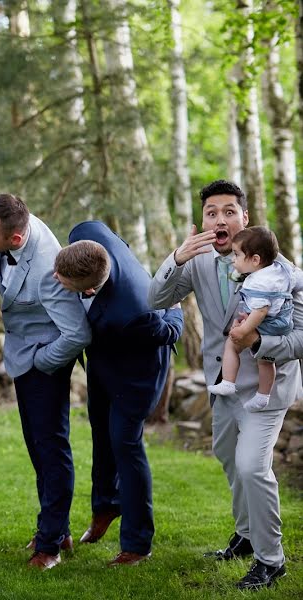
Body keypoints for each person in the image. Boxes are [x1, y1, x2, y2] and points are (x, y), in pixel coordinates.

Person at [149, 180, 302, 590]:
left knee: (253, 467)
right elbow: (155, 298)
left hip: (267, 385)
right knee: (229, 457)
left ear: (244, 217)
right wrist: (176, 257)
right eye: (212, 212)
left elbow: (300, 336)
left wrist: (260, 341)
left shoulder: (283, 272)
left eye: (229, 211)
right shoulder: (195, 262)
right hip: (224, 382)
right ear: (203, 221)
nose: (220, 219)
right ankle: (247, 536)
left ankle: (272, 560)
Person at [53, 222, 184, 566]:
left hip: (136, 376)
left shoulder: (133, 312)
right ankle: (106, 506)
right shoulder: (89, 234)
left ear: (91, 289)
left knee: (125, 444)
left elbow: (170, 331)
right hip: (103, 360)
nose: (56, 281)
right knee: (100, 432)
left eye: (63, 283)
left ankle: (137, 544)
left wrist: (174, 302)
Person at [0, 193, 90, 570]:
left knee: (50, 448)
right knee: (38, 447)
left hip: (45, 361)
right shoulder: (13, 228)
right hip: (24, 355)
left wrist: (42, 361)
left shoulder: (47, 270)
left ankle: (50, 545)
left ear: (16, 239)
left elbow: (76, 334)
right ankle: (60, 529)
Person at [207, 226, 295, 413]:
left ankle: (228, 382)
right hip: (281, 321)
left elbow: (260, 312)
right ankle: (263, 396)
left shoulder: (258, 282)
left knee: (232, 344)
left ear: (255, 260)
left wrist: (244, 330)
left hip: (267, 323)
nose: (233, 259)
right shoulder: (280, 269)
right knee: (265, 359)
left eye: (237, 255)